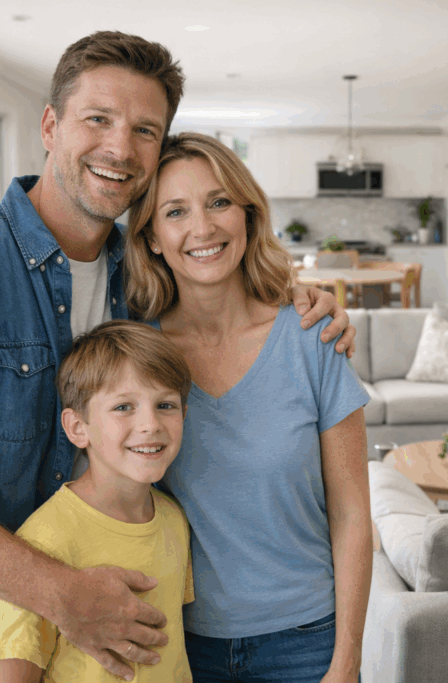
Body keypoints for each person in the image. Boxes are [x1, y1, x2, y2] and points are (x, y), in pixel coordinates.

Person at [0, 31, 355, 683]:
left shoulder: (143, 282)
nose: (121, 148)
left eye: (146, 130)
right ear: (50, 125)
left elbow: (221, 288)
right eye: (98, 119)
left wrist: (297, 297)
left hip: (114, 657)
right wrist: (62, 594)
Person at [125, 131, 373, 683]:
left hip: (308, 642)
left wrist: (348, 660)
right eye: (175, 211)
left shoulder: (312, 336)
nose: (203, 227)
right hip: (177, 644)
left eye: (219, 202)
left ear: (248, 216)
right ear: (151, 239)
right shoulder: (136, 356)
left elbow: (353, 512)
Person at [0, 320, 195, 683]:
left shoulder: (175, 520)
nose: (150, 424)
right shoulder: (43, 540)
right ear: (77, 427)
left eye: (165, 404)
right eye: (123, 407)